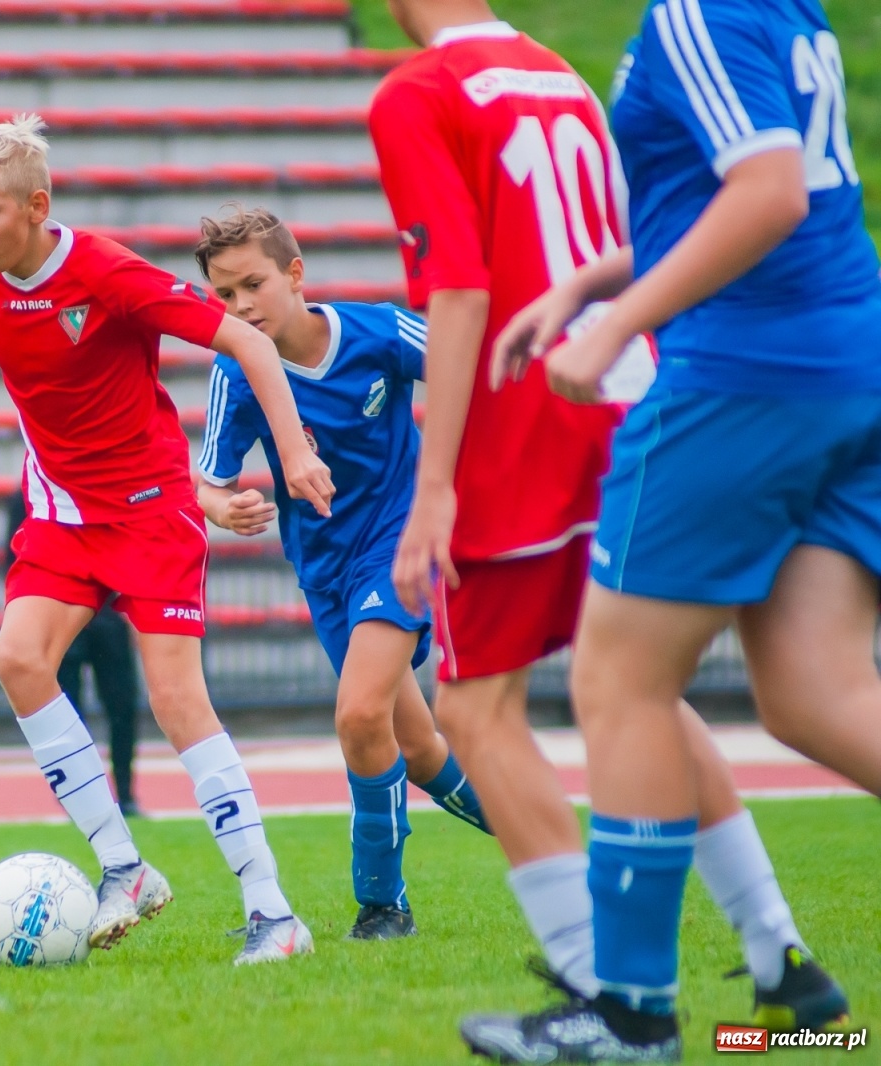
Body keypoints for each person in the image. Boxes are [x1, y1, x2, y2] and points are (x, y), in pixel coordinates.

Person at [367, 1, 843, 1057]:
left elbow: (458, 291)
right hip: (626, 396)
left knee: (475, 707)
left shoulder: (418, 92)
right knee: (638, 688)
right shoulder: (560, 70)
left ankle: (600, 987)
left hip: (522, 414)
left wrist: (434, 483)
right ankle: (779, 955)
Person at [0, 114, 336, 964]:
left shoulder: (107, 271)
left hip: (150, 512)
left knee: (177, 702)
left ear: (36, 207)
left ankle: (273, 915)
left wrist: (293, 452)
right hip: (61, 515)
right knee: (17, 659)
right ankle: (124, 867)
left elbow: (245, 344)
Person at [190, 206, 490, 941]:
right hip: (325, 571)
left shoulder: (377, 332)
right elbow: (207, 484)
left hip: (400, 543)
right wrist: (225, 510)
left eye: (253, 285)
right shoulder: (235, 369)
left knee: (358, 715)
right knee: (415, 747)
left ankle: (383, 905)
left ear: (295, 274)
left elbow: (469, 366)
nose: (240, 306)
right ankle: (539, 835)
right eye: (224, 295)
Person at [5, 489, 142, 816]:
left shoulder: (104, 487)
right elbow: (16, 558)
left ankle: (126, 793)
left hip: (107, 613)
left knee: (122, 705)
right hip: (58, 611)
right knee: (66, 711)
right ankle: (81, 799)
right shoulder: (26, 494)